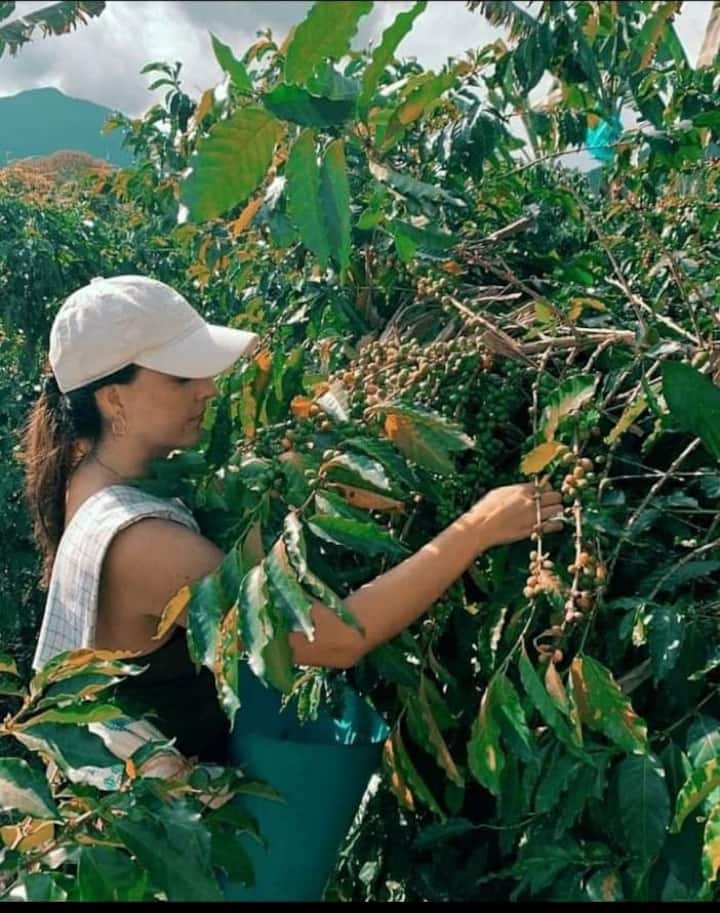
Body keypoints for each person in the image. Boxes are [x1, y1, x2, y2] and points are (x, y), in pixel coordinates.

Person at [21, 274, 563, 766]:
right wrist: (478, 528)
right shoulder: (144, 543)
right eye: (181, 378)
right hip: (181, 822)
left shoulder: (87, 477)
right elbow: (333, 639)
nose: (208, 388)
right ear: (114, 398)